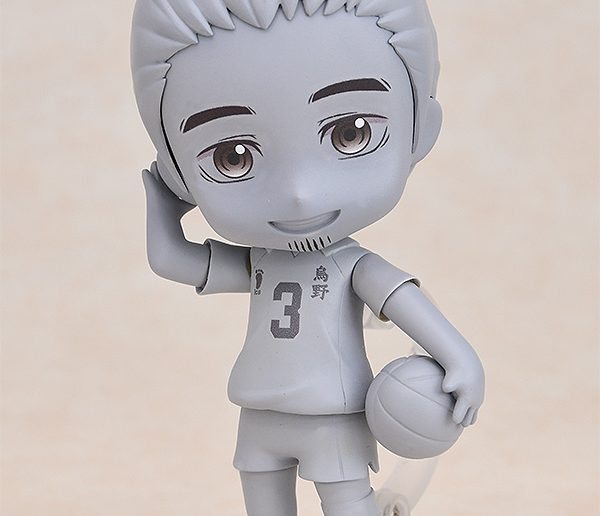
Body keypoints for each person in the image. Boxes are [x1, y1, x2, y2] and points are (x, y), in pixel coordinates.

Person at [132, 1, 485, 514]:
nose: (298, 193)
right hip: (259, 414)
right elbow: (172, 260)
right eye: (233, 158)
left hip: (333, 415)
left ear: (421, 129)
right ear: (178, 171)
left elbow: (411, 305)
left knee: (348, 503)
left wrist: (462, 361)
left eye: (350, 133)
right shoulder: (260, 263)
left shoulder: (354, 267)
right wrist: (160, 203)